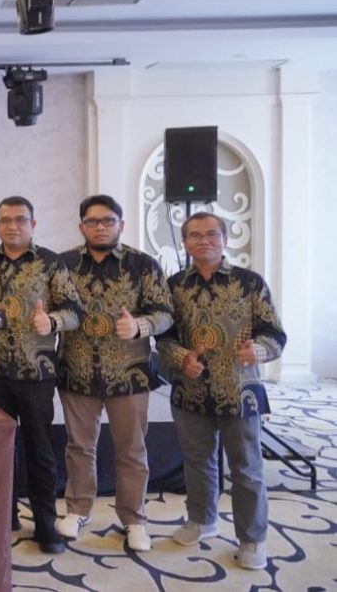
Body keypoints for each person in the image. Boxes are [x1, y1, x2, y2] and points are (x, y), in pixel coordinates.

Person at [158, 211, 286, 570]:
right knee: (198, 461)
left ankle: (252, 539)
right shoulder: (174, 286)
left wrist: (256, 351)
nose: (204, 241)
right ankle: (202, 519)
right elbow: (164, 336)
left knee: (246, 469)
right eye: (195, 235)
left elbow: (274, 333)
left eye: (212, 234)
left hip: (239, 391)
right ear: (184, 242)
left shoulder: (249, 282)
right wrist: (182, 358)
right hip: (191, 390)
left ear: (225, 239)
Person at [54, 195, 173, 552]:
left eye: (108, 221)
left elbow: (166, 313)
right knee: (79, 446)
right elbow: (54, 308)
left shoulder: (143, 264)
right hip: (77, 371)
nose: (100, 227)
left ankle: (134, 519)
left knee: (132, 450)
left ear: (121, 224)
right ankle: (77, 510)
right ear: (81, 226)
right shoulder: (63, 264)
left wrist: (140, 326)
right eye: (92, 221)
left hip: (129, 374)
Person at [0, 195, 82, 554]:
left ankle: (45, 522)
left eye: (20, 220)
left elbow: (75, 311)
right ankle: (3, 515)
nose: (13, 226)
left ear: (33, 224)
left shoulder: (51, 263)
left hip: (36, 373)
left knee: (40, 450)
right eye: (6, 220)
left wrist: (52, 321)